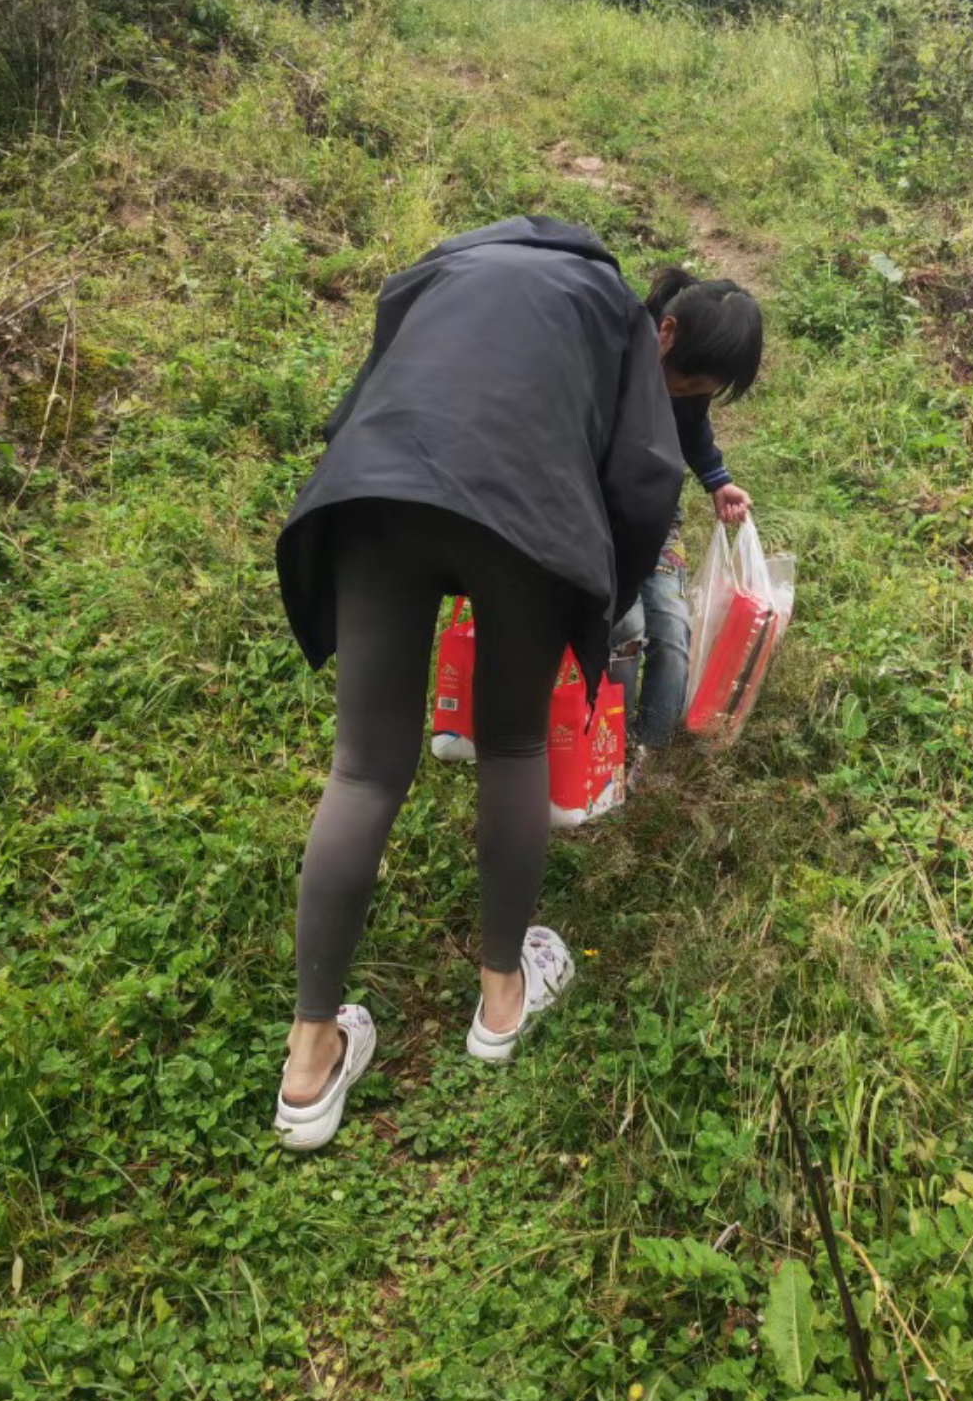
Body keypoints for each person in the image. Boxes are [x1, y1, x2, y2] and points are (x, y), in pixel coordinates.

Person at [271, 216, 685, 1150]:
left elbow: (363, 397)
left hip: (375, 488)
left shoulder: (436, 269)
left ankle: (308, 1061)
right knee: (512, 743)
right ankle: (502, 998)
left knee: (366, 769)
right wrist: (603, 588)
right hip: (525, 508)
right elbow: (645, 468)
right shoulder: (611, 302)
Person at [610, 269, 763, 773]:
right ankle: (604, 744)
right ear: (666, 332)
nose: (691, 394)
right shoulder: (614, 359)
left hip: (657, 514)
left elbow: (695, 434)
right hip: (599, 513)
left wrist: (718, 481)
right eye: (691, 383)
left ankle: (648, 753)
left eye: (706, 390)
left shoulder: (687, 388)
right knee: (624, 629)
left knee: (673, 632)